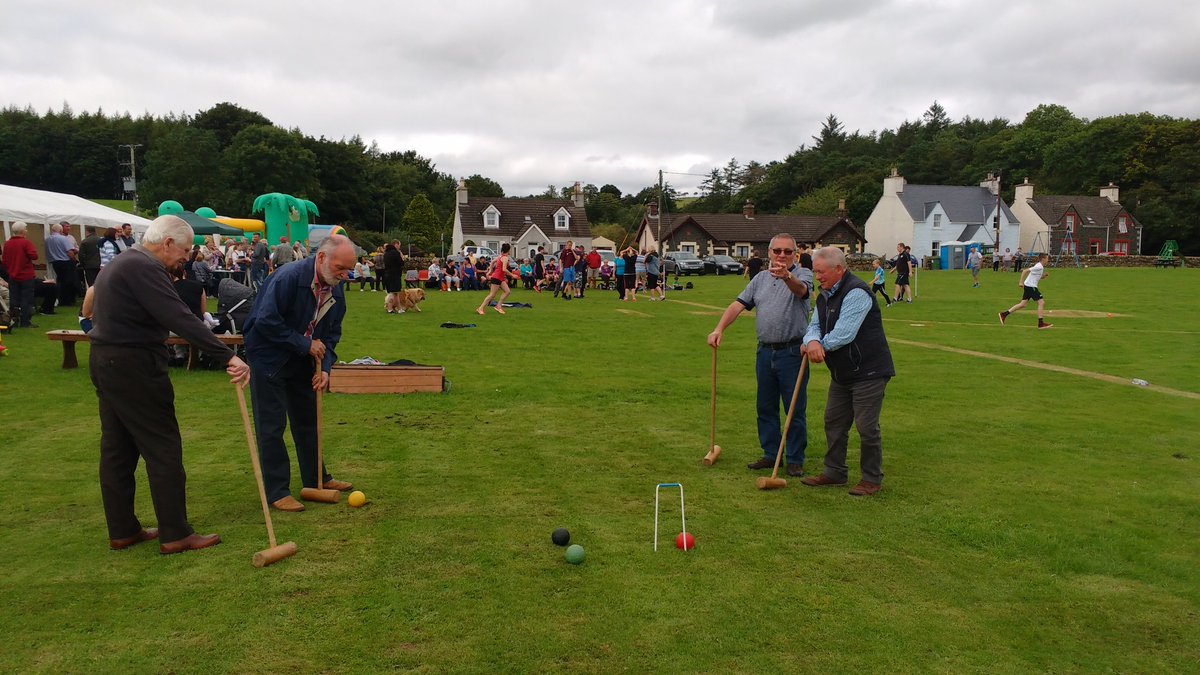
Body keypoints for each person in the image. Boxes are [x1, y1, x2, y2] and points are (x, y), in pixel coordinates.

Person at [89, 214, 250, 553]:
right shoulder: (144, 267)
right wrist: (227, 355)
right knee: (163, 447)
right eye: (185, 250)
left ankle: (122, 529)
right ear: (167, 243)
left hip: (107, 361)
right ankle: (176, 533)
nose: (186, 259)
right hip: (134, 366)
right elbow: (178, 316)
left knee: (118, 449)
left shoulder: (123, 262)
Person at [243, 235, 356, 512]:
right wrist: (305, 344)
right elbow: (265, 321)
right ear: (322, 258)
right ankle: (277, 491)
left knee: (308, 420)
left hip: (303, 360)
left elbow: (331, 334)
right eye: (340, 268)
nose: (344, 275)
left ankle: (317, 478)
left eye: (348, 270)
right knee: (271, 426)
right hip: (269, 358)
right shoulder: (288, 278)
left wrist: (325, 368)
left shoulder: (336, 287)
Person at [707, 234, 813, 478]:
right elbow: (738, 304)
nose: (782, 255)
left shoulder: (803, 274)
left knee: (794, 408)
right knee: (765, 406)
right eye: (777, 251)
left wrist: (786, 276)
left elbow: (802, 291)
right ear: (769, 252)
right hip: (765, 351)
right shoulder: (760, 279)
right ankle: (771, 453)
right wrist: (719, 328)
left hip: (792, 352)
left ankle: (794, 459)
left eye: (788, 251)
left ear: (795, 254)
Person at [801, 247, 895, 497]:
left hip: (869, 371)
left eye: (821, 272)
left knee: (866, 426)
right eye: (815, 272)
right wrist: (811, 341)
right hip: (842, 372)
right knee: (833, 421)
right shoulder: (824, 294)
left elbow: (845, 333)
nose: (817, 277)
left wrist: (819, 346)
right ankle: (834, 472)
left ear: (839, 269)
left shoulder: (857, 292)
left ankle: (871, 479)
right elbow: (814, 325)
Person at [999, 252, 1053, 330]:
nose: (1048, 260)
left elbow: (1035, 275)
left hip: (1028, 286)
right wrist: (1020, 282)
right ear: (1043, 259)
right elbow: (1025, 271)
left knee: (1022, 304)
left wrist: (1043, 276)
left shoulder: (1039, 266)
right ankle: (1041, 323)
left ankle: (1004, 314)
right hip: (1031, 287)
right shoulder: (1039, 267)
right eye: (1047, 258)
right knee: (1041, 302)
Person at [2, 222, 39, 328]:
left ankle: (14, 320)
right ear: (23, 231)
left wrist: (10, 269)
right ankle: (25, 321)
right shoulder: (26, 243)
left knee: (14, 299)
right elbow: (34, 256)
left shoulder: (7, 243)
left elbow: (4, 261)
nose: (27, 230)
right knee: (26, 299)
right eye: (26, 229)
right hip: (26, 275)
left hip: (12, 276)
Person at [476, 243, 517, 315]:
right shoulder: (505, 258)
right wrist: (512, 275)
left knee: (507, 291)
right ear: (508, 250)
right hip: (497, 277)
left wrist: (490, 272)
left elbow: (492, 262)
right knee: (492, 295)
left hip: (500, 278)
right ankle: (480, 308)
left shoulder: (500, 256)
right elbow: (504, 269)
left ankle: (498, 306)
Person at [45, 222, 78, 307]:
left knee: (60, 281)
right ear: (60, 230)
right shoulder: (63, 238)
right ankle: (67, 301)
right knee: (68, 281)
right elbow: (70, 252)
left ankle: (61, 299)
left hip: (55, 262)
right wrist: (74, 260)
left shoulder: (48, 239)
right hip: (65, 261)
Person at [382, 240, 405, 307]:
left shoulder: (386, 253)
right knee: (392, 293)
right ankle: (389, 308)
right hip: (395, 275)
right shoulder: (395, 253)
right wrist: (402, 257)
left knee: (395, 293)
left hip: (387, 274)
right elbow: (401, 263)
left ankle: (399, 308)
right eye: (399, 245)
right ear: (396, 244)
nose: (399, 247)